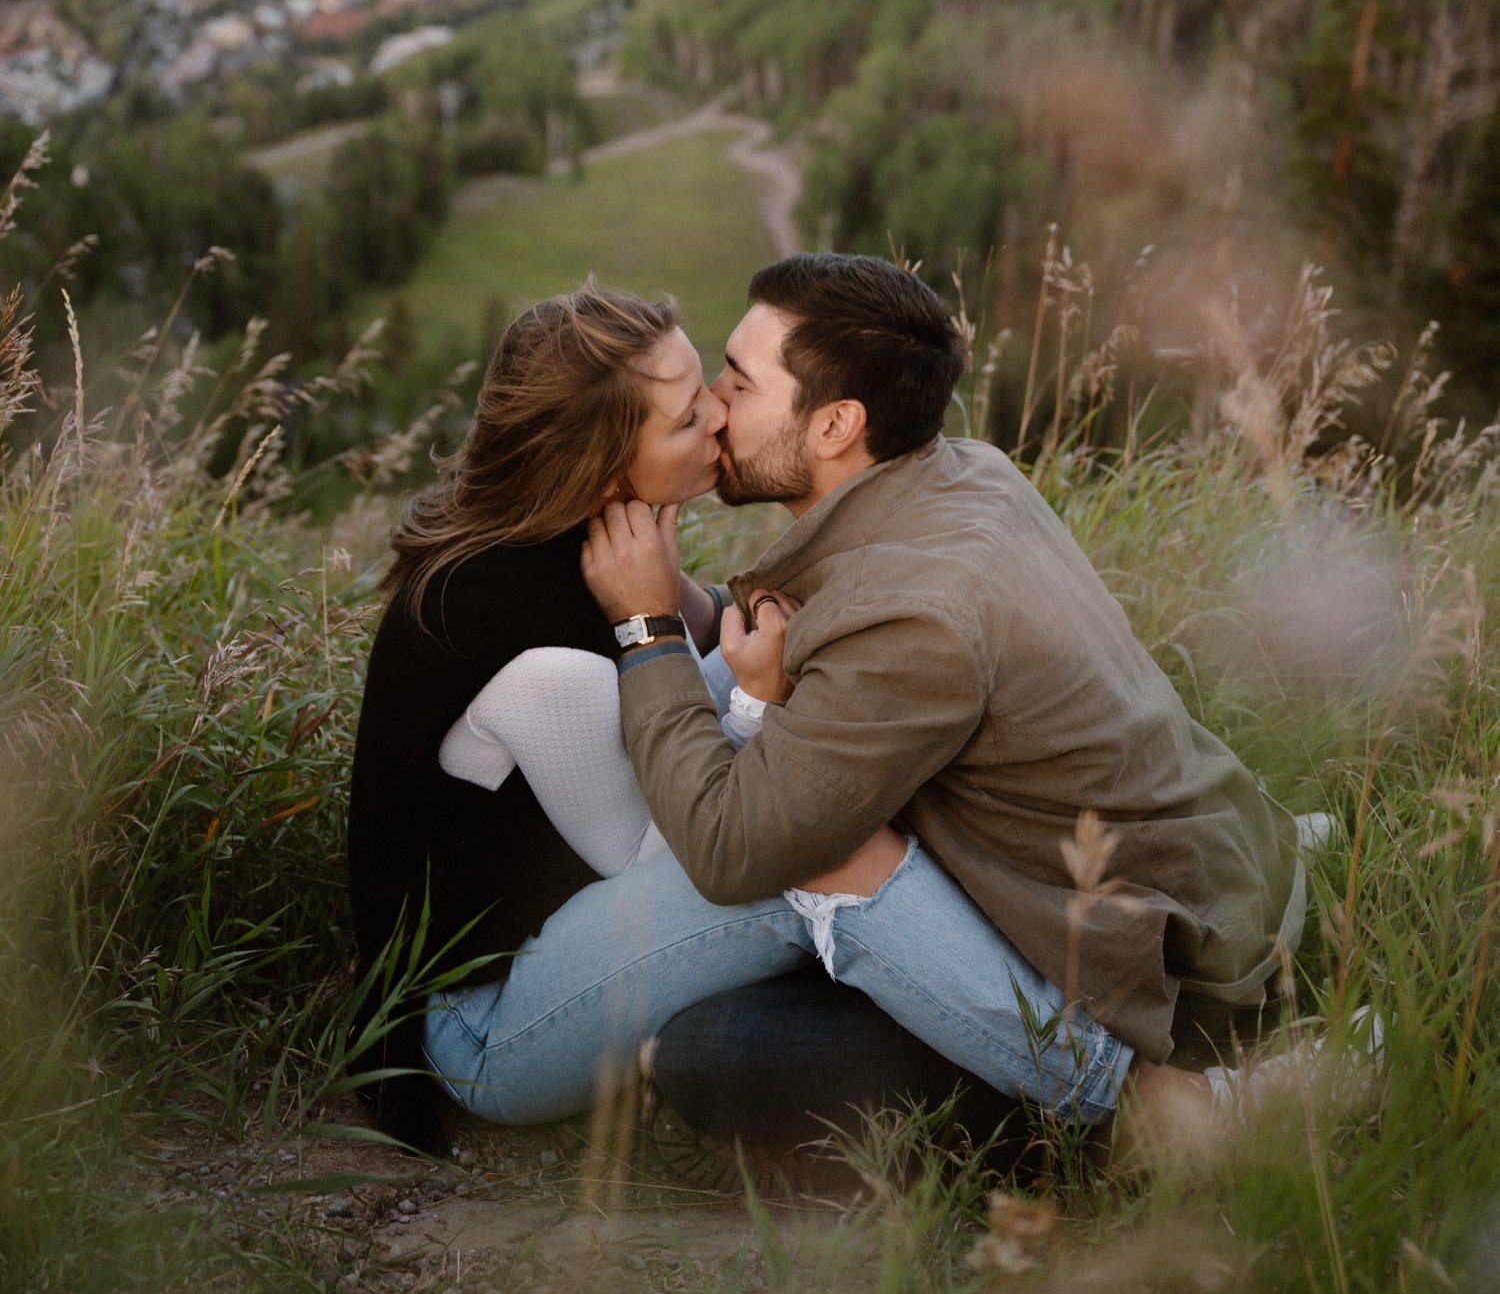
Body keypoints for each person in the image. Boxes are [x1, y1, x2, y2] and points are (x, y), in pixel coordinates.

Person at [345, 276, 1141, 1157]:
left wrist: (743, 657)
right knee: (801, 852)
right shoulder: (536, 658)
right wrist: (759, 702)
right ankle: (1108, 1085)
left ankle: (1074, 968)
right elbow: (675, 847)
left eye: (712, 384)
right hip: (488, 1024)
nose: (721, 414)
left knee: (822, 791)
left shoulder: (593, 541)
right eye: (689, 416)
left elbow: (674, 686)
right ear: (611, 467)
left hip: (564, 921)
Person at [582, 252, 1309, 1163]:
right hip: (1207, 882)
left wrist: (647, 627)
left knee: (702, 1051)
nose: (717, 404)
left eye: (740, 377)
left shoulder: (912, 615)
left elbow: (737, 848)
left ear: (837, 423)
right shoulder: (964, 473)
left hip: (1172, 982)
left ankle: (1160, 1109)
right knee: (731, 1024)